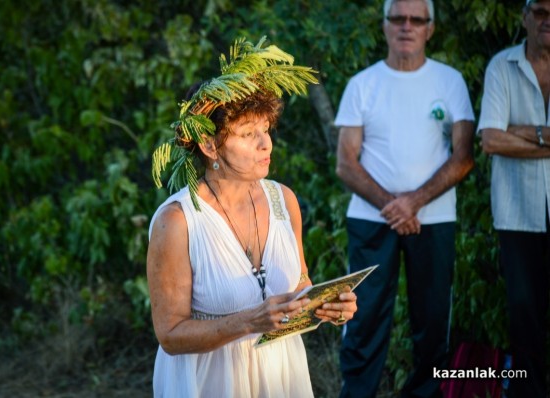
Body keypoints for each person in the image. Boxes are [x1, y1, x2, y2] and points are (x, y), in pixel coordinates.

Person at [146, 37, 359, 397]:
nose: (266, 144)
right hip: (212, 382)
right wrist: (250, 321)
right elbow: (170, 334)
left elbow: (300, 283)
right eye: (248, 134)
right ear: (209, 145)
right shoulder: (178, 222)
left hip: (280, 376)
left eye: (266, 130)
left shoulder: (283, 200)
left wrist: (325, 304)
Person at [333, 0, 475, 397]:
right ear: (384, 25)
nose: (406, 26)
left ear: (430, 28)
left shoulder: (450, 81)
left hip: (434, 220)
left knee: (432, 321)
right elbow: (346, 163)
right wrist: (394, 207)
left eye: (417, 19)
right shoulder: (362, 84)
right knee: (362, 318)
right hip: (370, 220)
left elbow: (464, 157)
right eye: (398, 17)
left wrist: (413, 202)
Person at [478, 1, 550, 396]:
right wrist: (546, 136)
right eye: (539, 10)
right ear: (524, 16)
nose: (547, 19)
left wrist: (522, 133)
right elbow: (491, 139)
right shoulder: (501, 67)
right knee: (524, 313)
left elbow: (504, 134)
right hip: (516, 213)